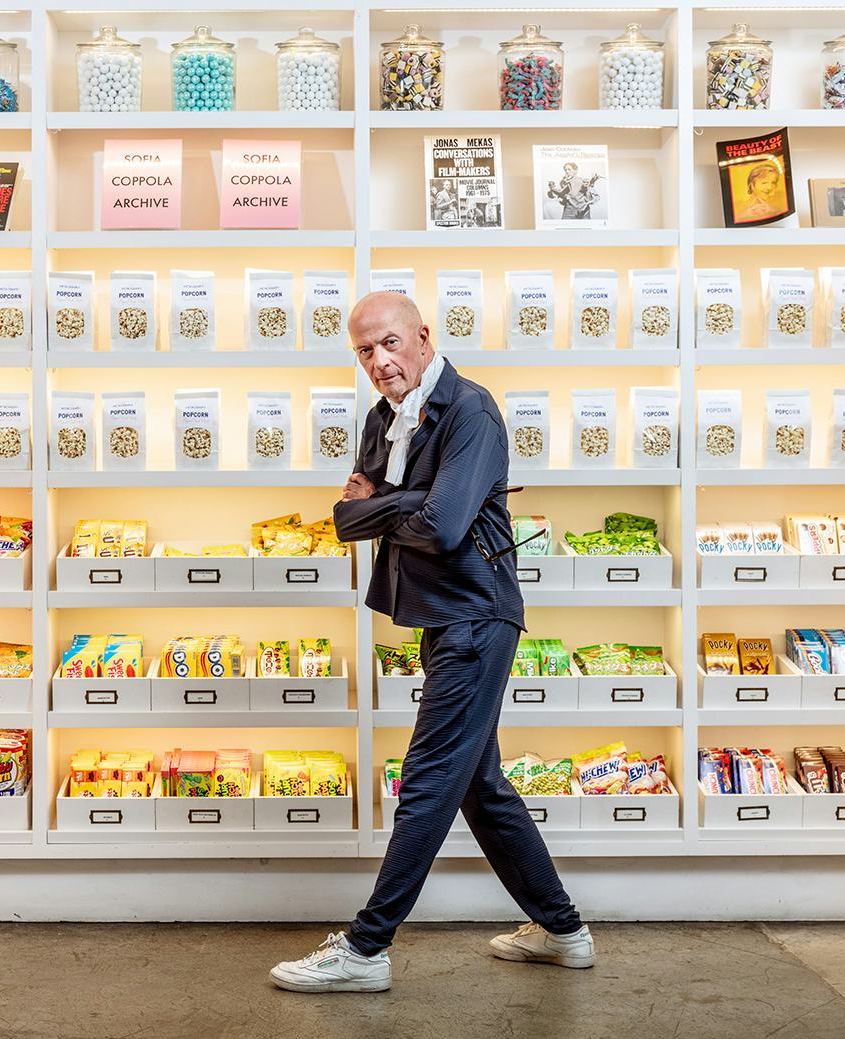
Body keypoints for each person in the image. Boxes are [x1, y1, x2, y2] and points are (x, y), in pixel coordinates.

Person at [269, 292, 591, 994]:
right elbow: (348, 519)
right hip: (441, 616)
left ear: (421, 336)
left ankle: (365, 947)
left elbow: (439, 529)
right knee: (479, 784)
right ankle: (563, 929)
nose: (379, 361)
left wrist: (391, 505)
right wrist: (409, 502)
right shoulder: (384, 418)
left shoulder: (470, 410)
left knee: (428, 778)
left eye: (389, 343)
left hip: (477, 616)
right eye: (364, 351)